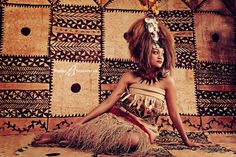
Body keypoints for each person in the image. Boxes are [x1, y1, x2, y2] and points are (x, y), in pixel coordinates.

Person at [32, 15, 204, 157]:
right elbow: (108, 103)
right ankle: (60, 134)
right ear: (143, 52)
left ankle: (76, 139)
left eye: (162, 53)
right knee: (94, 128)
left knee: (134, 140)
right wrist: (81, 122)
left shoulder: (167, 82)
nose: (161, 57)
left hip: (142, 130)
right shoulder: (129, 76)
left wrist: (186, 140)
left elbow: (174, 114)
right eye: (154, 52)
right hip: (115, 121)